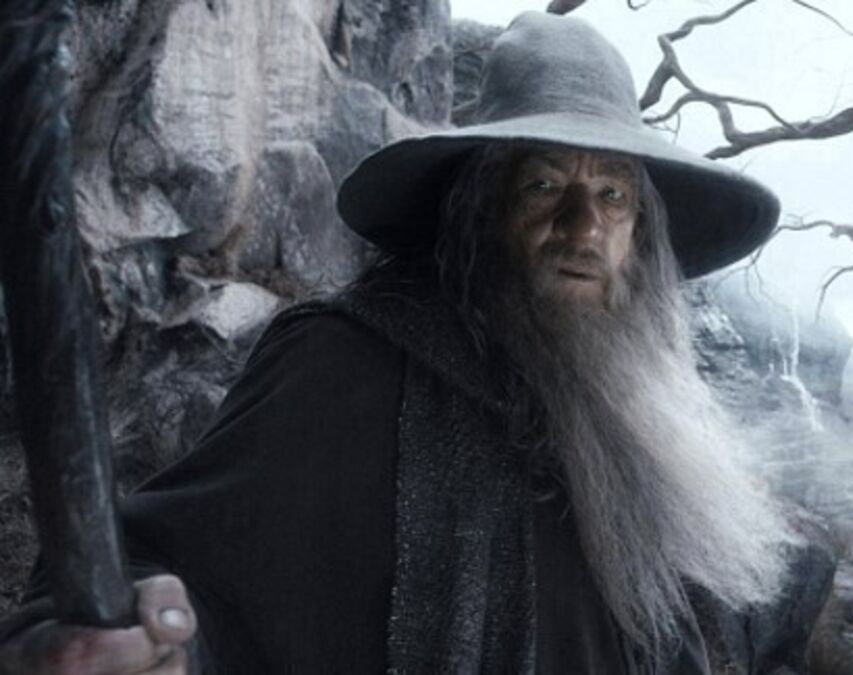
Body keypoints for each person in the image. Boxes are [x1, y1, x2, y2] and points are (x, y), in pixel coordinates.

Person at [0, 11, 802, 675]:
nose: (583, 225)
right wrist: (139, 641)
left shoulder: (639, 432)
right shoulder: (346, 364)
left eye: (614, 194)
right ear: (480, 210)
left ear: (640, 234)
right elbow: (168, 575)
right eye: (544, 185)